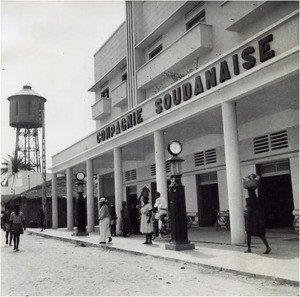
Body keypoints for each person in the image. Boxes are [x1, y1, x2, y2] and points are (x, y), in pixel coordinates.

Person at [243, 173, 271, 254]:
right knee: (260, 234)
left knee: (248, 233)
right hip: (257, 219)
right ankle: (267, 247)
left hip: (251, 219)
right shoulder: (256, 199)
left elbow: (250, 210)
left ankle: (249, 249)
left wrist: (247, 215)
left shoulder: (250, 199)